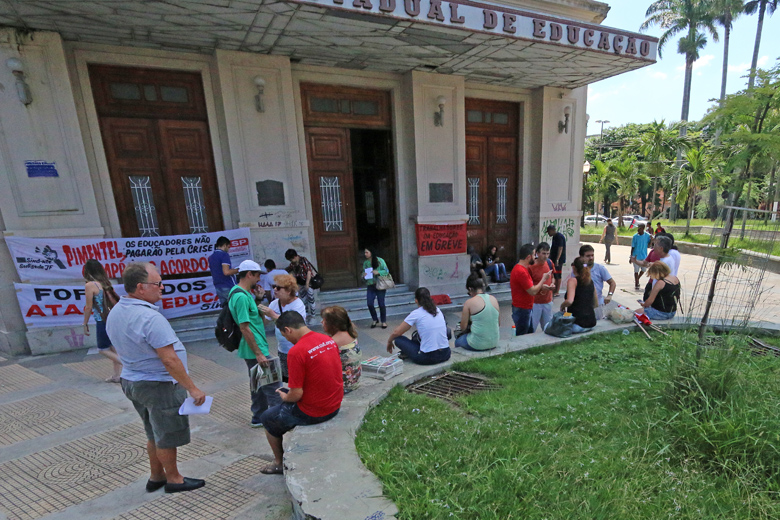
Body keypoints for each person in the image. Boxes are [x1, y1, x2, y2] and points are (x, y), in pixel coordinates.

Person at [106, 262, 206, 494]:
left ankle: (156, 476)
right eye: (157, 284)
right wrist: (192, 389)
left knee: (153, 431)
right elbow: (169, 359)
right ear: (141, 287)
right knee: (167, 434)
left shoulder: (117, 311)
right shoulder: (149, 318)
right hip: (157, 384)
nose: (162, 288)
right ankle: (174, 479)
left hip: (132, 380)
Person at [258, 311, 343, 475]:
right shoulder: (327, 340)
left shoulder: (296, 351)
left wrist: (285, 396)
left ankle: (278, 463)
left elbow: (296, 394)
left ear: (288, 330)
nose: (286, 339)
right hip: (335, 404)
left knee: (267, 418)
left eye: (283, 335)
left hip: (315, 412)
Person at [228, 260, 281, 428]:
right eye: (257, 275)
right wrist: (258, 353)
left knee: (258, 384)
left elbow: (257, 322)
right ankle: (278, 417)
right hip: (255, 348)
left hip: (253, 347)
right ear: (249, 274)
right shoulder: (240, 297)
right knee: (273, 385)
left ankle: (258, 417)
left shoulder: (244, 295)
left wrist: (258, 300)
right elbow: (244, 327)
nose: (259, 279)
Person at [258, 274, 307, 382]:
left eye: (279, 288)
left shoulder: (298, 304)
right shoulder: (275, 303)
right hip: (282, 349)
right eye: (274, 286)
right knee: (286, 379)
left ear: (289, 291)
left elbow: (294, 324)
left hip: (296, 349)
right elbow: (263, 322)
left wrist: (273, 315)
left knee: (299, 378)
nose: (275, 289)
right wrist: (258, 300)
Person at [82, 259, 122, 382]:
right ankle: (117, 376)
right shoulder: (105, 283)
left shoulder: (90, 285)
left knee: (103, 349)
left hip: (102, 320)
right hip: (113, 318)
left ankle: (128, 363)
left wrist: (85, 323)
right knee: (113, 348)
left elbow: (88, 307)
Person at [386, 287, 451, 365]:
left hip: (427, 358)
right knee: (421, 335)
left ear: (416, 300)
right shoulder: (437, 310)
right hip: (446, 354)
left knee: (398, 339)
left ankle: (408, 353)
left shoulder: (416, 313)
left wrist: (389, 341)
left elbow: (397, 332)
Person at [510, 243, 555, 335]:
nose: (535, 257)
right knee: (524, 335)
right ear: (528, 257)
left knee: (528, 332)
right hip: (522, 308)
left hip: (527, 306)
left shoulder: (522, 269)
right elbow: (532, 291)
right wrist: (543, 279)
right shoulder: (521, 271)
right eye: (534, 255)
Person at [321, 306, 361, 393]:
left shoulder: (332, 342)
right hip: (354, 382)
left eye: (324, 320)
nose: (321, 322)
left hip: (342, 386)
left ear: (332, 325)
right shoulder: (351, 334)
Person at [455, 276, 499, 351]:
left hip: (477, 344)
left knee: (457, 341)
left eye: (469, 293)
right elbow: (498, 323)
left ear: (470, 289)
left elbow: (463, 327)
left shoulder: (469, 302)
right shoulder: (493, 299)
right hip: (494, 342)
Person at [556, 257, 597, 334]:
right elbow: (596, 303)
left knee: (550, 326)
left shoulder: (573, 281)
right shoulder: (590, 281)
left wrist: (562, 306)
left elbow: (569, 301)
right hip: (591, 323)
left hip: (577, 324)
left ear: (574, 267)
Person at [573, 245, 616, 318]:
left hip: (597, 305)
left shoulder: (600, 268)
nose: (591, 258)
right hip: (581, 305)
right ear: (581, 257)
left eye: (592, 255)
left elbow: (612, 283)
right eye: (588, 256)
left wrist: (609, 295)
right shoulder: (577, 269)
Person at [285, 249, 317, 325]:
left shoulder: (303, 260)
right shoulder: (293, 264)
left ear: (295, 256)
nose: (291, 261)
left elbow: (309, 271)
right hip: (300, 283)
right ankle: (305, 316)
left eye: (291, 259)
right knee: (303, 300)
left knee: (311, 299)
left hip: (308, 283)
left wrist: (307, 283)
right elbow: (288, 270)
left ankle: (313, 316)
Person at [529, 243, 554, 332]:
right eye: (543, 253)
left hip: (548, 300)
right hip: (535, 302)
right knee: (532, 328)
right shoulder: (531, 266)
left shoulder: (549, 263)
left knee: (548, 328)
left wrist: (552, 284)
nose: (546, 256)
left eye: (547, 253)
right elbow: (528, 286)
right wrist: (540, 287)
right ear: (537, 253)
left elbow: (553, 277)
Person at [362, 248, 389, 329]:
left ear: (371, 252)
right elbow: (363, 274)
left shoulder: (380, 260)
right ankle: (375, 319)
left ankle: (383, 321)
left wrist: (378, 272)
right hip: (370, 285)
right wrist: (363, 275)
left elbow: (386, 271)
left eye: (367, 252)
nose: (365, 254)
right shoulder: (366, 263)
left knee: (381, 303)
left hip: (380, 284)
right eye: (364, 252)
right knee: (369, 303)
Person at [208, 236, 239, 306]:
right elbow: (226, 272)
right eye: (228, 247)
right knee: (236, 308)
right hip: (228, 286)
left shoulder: (211, 257)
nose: (228, 249)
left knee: (226, 310)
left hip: (218, 286)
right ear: (225, 245)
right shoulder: (224, 255)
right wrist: (238, 270)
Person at [629, 223, 652, 290]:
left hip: (644, 256)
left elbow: (649, 244)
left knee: (644, 269)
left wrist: (651, 240)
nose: (638, 229)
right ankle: (637, 282)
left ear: (643, 228)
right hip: (636, 256)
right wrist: (631, 257)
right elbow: (632, 247)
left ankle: (637, 278)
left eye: (639, 228)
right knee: (636, 270)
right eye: (638, 228)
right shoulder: (635, 236)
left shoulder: (647, 235)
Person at [547, 225, 566, 296]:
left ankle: (557, 291)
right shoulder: (555, 237)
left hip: (558, 260)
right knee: (554, 274)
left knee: (558, 275)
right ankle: (554, 290)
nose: (548, 234)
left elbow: (560, 248)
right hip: (554, 259)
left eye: (549, 232)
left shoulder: (559, 237)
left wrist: (557, 259)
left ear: (552, 230)